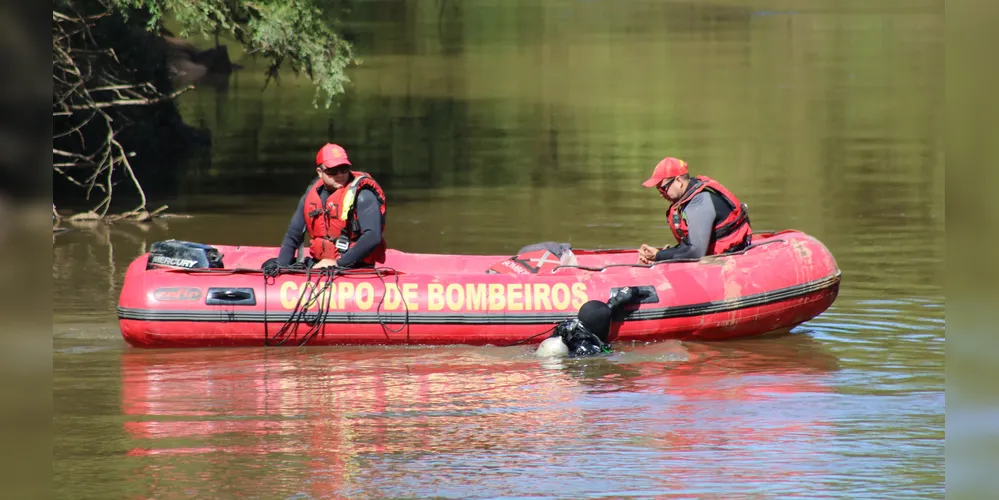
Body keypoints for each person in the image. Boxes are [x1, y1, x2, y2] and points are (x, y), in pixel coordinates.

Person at [267, 143, 387, 273]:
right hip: (321, 264)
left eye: (344, 168)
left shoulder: (364, 196)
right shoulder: (311, 196)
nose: (340, 174)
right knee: (269, 265)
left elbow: (373, 237)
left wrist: (337, 264)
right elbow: (293, 235)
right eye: (333, 170)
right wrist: (282, 268)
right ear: (320, 172)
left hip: (353, 266)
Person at [637, 157, 752, 264]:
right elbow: (689, 246)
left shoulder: (699, 203)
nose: (661, 195)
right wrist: (660, 254)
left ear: (678, 181)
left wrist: (659, 256)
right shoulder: (688, 198)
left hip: (731, 258)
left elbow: (696, 252)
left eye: (663, 189)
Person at [535, 287, 640, 358]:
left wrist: (618, 299)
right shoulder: (587, 350)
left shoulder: (568, 328)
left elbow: (597, 314)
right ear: (602, 326)